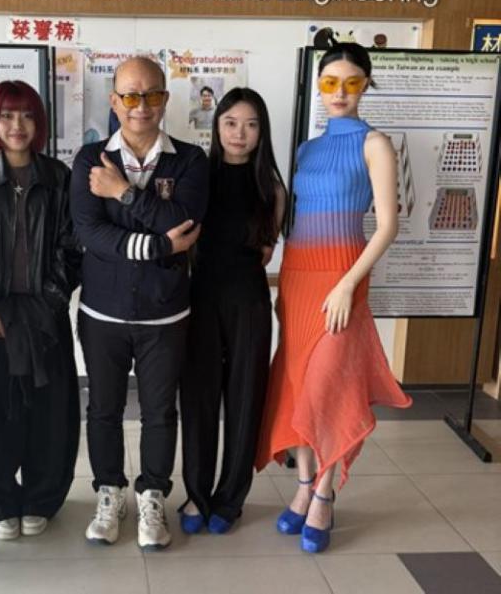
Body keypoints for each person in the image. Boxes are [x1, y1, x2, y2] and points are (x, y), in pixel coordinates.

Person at [255, 42, 412, 553]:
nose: (339, 93)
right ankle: (304, 486)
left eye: (351, 83)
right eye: (329, 83)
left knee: (328, 387)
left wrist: (347, 283)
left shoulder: (376, 144)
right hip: (299, 277)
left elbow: (387, 226)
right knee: (297, 383)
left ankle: (325, 492)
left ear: (366, 84)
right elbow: (296, 213)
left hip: (343, 278)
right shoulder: (307, 149)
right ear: (319, 86)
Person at [70, 56, 208, 551]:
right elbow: (90, 233)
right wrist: (157, 246)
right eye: (130, 95)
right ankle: (110, 492)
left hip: (165, 314)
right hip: (102, 312)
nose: (141, 105)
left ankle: (152, 496)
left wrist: (124, 193)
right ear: (114, 101)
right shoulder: (90, 160)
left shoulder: (190, 160)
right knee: (103, 410)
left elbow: (184, 222)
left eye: (151, 95)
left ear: (165, 99)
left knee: (159, 412)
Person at [0, 80, 81, 541]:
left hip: (46, 315)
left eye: (27, 115)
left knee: (50, 412)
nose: (17, 125)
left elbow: (72, 247)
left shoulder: (59, 177)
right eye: (7, 115)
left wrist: (49, 303)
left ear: (39, 122)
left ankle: (42, 498)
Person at [179, 87, 286, 536]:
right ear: (217, 126)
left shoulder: (271, 188)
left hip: (248, 302)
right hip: (200, 299)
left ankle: (230, 497)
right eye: (230, 123)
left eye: (251, 124)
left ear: (262, 132)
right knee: (198, 399)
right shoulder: (196, 177)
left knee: (245, 398)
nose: (239, 133)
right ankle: (196, 494)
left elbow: (266, 251)